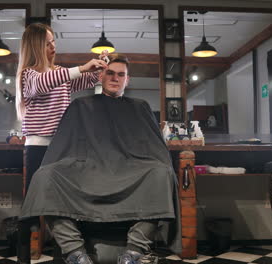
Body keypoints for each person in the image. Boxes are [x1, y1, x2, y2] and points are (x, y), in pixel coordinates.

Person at [20, 53, 181, 264]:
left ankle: (133, 251)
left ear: (127, 79)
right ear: (100, 76)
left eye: (121, 75)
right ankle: (75, 252)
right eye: (110, 73)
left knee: (163, 174)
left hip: (131, 171)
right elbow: (65, 146)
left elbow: (155, 150)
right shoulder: (80, 106)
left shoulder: (140, 107)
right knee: (44, 176)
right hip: (87, 171)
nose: (115, 78)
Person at [15, 23, 108, 264]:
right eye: (47, 43)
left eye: (54, 41)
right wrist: (81, 67)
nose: (53, 46)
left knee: (63, 205)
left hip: (62, 147)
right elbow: (43, 84)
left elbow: (85, 81)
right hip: (37, 146)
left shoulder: (60, 74)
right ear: (36, 46)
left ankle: (63, 256)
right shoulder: (29, 75)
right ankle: (23, 258)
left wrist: (100, 67)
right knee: (32, 207)